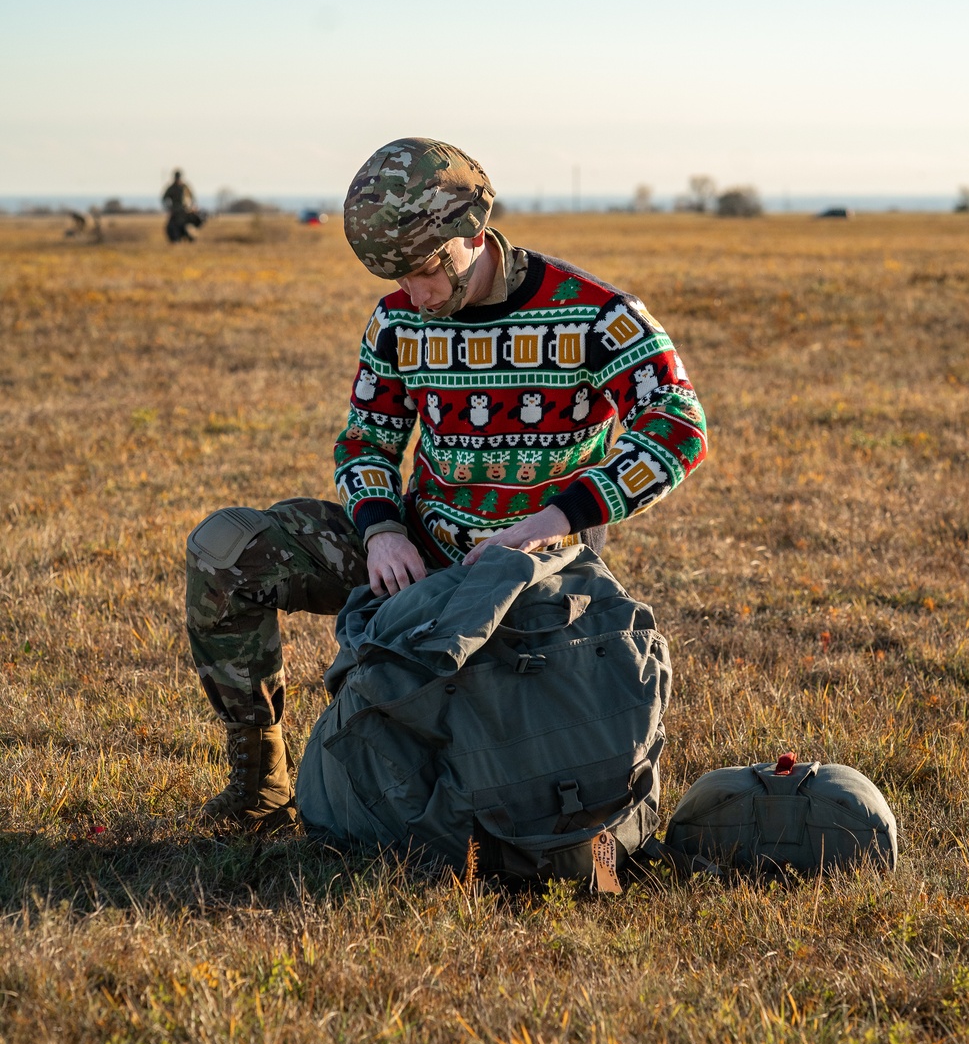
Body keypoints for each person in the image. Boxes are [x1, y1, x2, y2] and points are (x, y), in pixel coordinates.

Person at [185, 137, 708, 830]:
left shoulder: (595, 315)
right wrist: (380, 531)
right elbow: (367, 441)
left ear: (473, 233)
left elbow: (680, 426)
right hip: (418, 553)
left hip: (537, 583)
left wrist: (552, 523)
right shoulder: (400, 317)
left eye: (427, 271)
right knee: (228, 549)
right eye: (400, 279)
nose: (416, 294)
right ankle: (260, 785)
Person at [162, 169, 197, 242]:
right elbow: (164, 198)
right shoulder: (171, 188)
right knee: (172, 227)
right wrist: (169, 208)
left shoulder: (185, 187)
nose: (177, 179)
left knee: (183, 225)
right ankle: (178, 239)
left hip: (184, 210)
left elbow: (192, 197)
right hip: (175, 211)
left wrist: (192, 206)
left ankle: (189, 238)